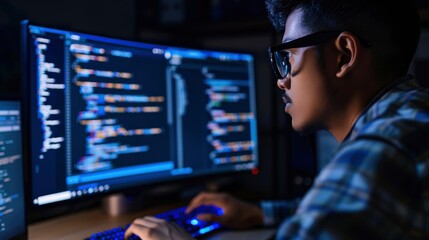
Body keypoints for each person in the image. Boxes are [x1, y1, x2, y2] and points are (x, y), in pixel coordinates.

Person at [125, 0, 429, 239]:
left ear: (343, 56)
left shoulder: (384, 147)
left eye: (289, 58)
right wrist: (260, 213)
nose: (281, 82)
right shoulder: (410, 116)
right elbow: (357, 208)